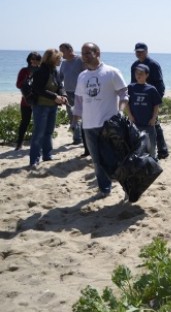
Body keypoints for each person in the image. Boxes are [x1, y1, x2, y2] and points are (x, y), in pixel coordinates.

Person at [74, 43, 129, 199]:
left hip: (109, 125)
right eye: (82, 53)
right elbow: (79, 101)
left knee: (118, 158)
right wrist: (75, 121)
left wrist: (119, 112)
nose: (84, 56)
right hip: (88, 125)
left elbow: (124, 94)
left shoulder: (111, 72)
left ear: (97, 53)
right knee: (97, 161)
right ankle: (104, 189)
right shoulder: (82, 76)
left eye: (87, 53)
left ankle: (127, 188)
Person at [29, 48, 67, 167]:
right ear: (51, 59)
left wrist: (63, 95)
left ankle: (47, 155)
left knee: (49, 132)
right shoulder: (41, 71)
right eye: (58, 58)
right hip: (41, 106)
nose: (60, 60)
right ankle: (34, 159)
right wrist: (55, 96)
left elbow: (60, 85)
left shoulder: (54, 70)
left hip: (52, 106)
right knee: (39, 133)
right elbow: (38, 89)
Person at [130, 42, 168, 159]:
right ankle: (141, 150)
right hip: (139, 101)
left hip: (151, 99)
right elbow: (133, 84)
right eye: (137, 51)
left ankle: (162, 150)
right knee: (138, 127)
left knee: (154, 124)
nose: (139, 53)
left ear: (146, 51)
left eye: (141, 51)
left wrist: (156, 101)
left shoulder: (153, 65)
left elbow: (160, 84)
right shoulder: (134, 65)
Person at [125, 63, 162, 159]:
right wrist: (130, 115)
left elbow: (156, 105)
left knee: (151, 147)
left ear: (147, 75)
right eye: (137, 73)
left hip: (148, 124)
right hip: (135, 123)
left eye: (141, 73)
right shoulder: (131, 87)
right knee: (135, 147)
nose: (138, 75)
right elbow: (126, 103)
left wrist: (154, 118)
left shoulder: (151, 89)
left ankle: (153, 163)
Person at [59, 43, 89, 155]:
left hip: (80, 93)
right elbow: (60, 77)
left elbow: (87, 74)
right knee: (72, 116)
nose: (61, 54)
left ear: (70, 49)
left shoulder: (80, 60)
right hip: (68, 93)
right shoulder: (63, 63)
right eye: (59, 51)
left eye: (62, 51)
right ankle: (77, 139)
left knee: (83, 116)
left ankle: (85, 139)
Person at [14, 51, 41, 150]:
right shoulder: (24, 71)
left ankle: (37, 144)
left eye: (37, 59)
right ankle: (19, 144)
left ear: (40, 60)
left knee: (39, 123)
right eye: (32, 59)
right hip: (26, 101)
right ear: (29, 60)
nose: (34, 61)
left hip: (39, 101)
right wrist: (25, 81)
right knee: (24, 122)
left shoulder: (42, 70)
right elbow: (18, 85)